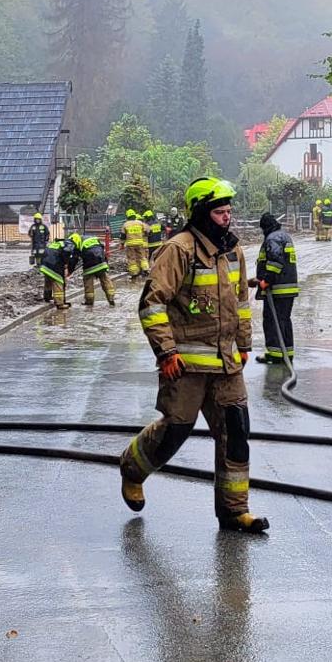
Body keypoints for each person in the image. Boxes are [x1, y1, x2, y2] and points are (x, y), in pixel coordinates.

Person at [118, 177, 268, 533]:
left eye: (229, 211)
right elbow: (152, 304)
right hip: (184, 366)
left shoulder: (234, 252)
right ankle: (132, 468)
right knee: (175, 432)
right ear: (201, 212)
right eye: (219, 212)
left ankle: (234, 512)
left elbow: (241, 304)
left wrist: (244, 345)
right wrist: (166, 351)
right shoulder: (178, 250)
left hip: (227, 365)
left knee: (236, 432)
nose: (226, 218)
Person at [251, 212, 299, 363]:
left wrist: (266, 280)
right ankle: (287, 353)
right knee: (284, 320)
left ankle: (276, 355)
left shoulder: (273, 238)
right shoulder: (283, 236)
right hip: (288, 287)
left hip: (277, 288)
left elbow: (275, 261)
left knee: (272, 321)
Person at [73, 232, 115, 306]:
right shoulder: (94, 239)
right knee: (105, 279)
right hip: (101, 261)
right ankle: (111, 297)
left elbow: (75, 257)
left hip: (89, 264)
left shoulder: (78, 242)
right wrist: (105, 262)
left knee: (88, 280)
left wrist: (71, 269)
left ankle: (89, 301)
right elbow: (102, 249)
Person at [38, 237, 76, 308]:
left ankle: (47, 297)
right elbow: (67, 252)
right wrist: (66, 263)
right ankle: (60, 303)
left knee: (48, 279)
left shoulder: (55, 244)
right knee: (58, 281)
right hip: (54, 264)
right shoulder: (69, 244)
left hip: (45, 264)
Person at [122, 209, 150, 277]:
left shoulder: (125, 224)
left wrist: (122, 244)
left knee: (132, 258)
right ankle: (145, 268)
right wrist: (143, 235)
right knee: (142, 257)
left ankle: (134, 272)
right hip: (140, 243)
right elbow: (147, 231)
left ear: (127, 216)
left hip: (130, 245)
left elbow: (122, 236)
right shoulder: (140, 223)